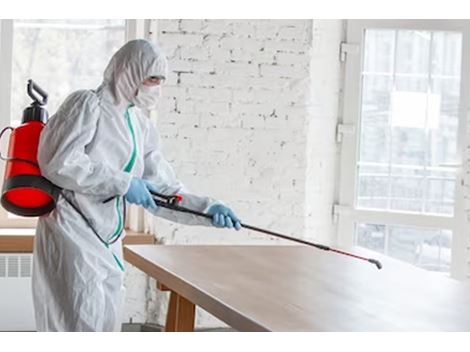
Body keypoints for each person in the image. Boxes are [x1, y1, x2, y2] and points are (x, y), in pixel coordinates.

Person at [32, 39, 241, 332]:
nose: (155, 87)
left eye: (160, 81)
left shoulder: (139, 125)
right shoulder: (87, 105)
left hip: (107, 237)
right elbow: (58, 162)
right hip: (72, 231)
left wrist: (207, 210)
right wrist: (123, 182)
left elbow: (163, 189)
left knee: (106, 326)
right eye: (151, 78)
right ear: (128, 72)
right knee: (77, 325)